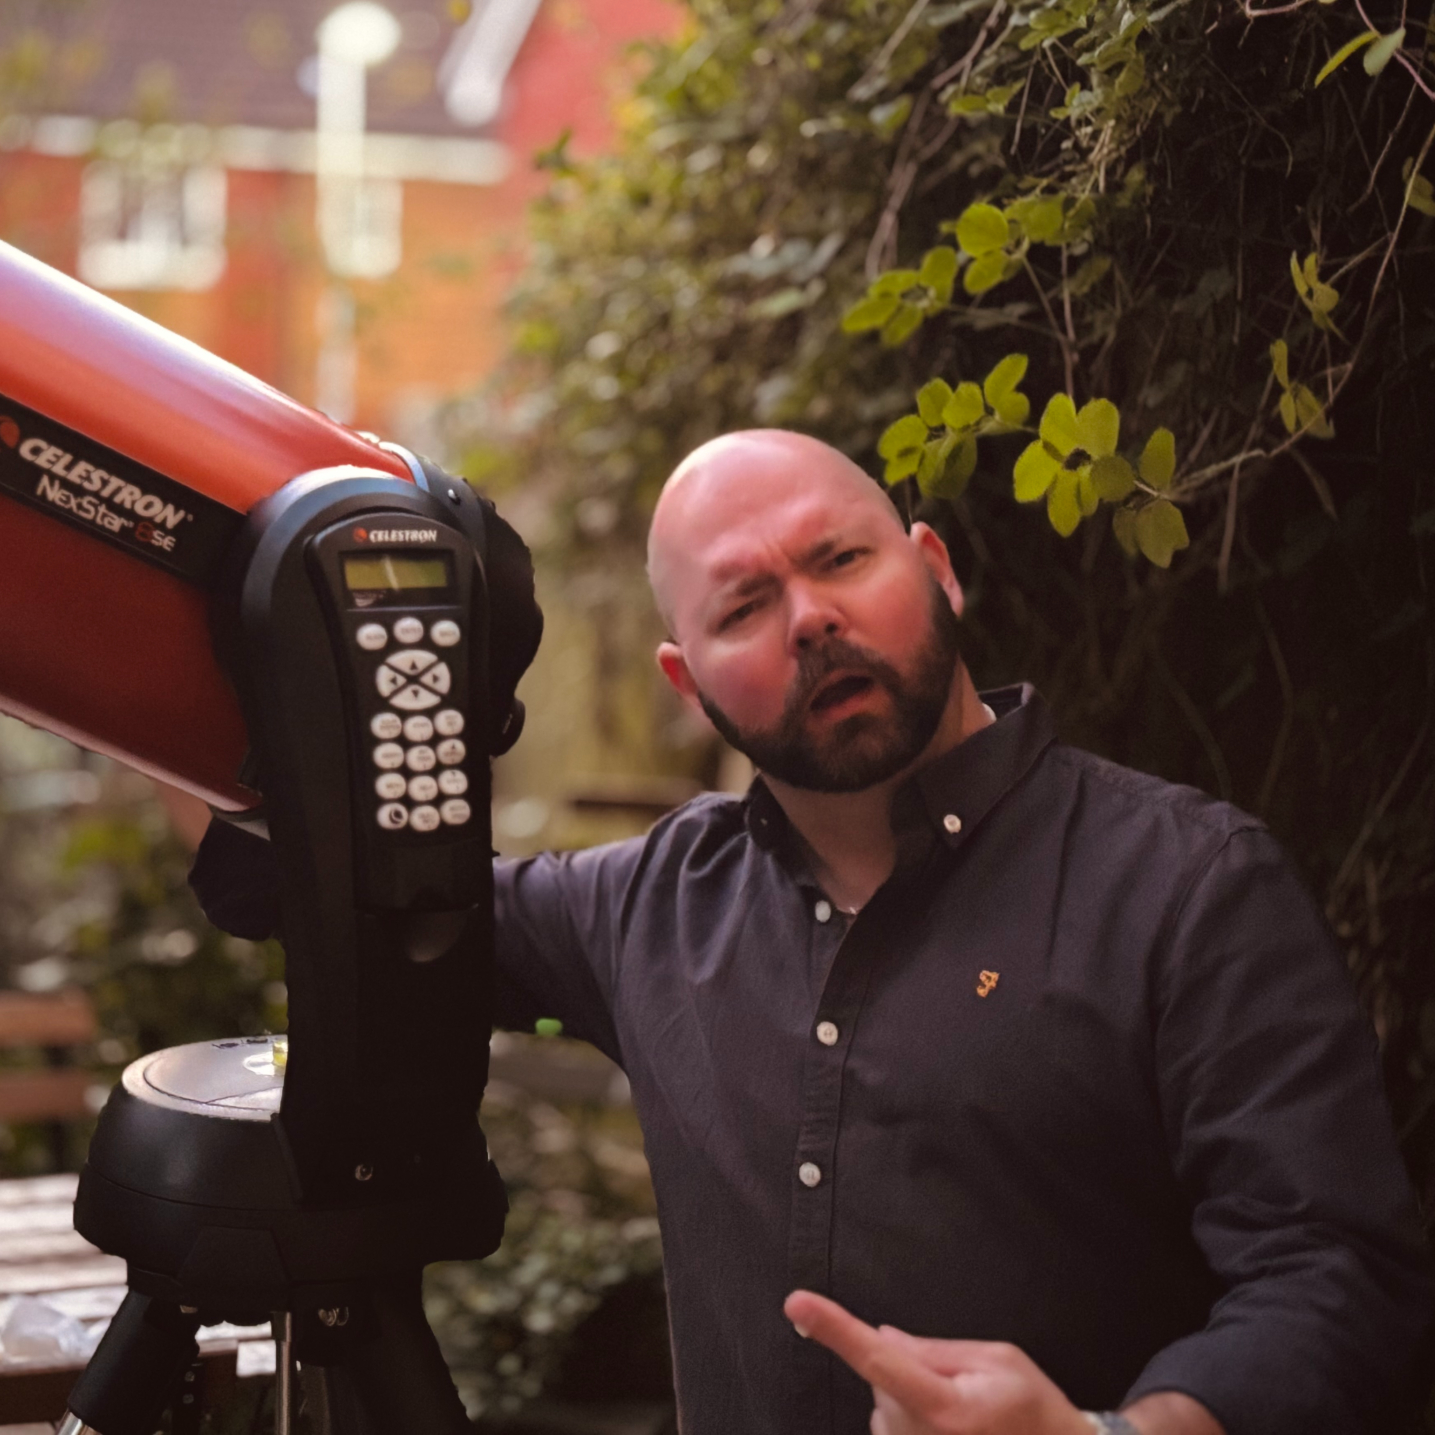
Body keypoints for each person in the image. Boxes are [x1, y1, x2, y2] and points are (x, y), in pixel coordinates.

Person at [190, 430, 1431, 1435]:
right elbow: (308, 891)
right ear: (691, 681)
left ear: (935, 567)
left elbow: (1342, 1277)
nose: (809, 618)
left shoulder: (1188, 885)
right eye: (744, 606)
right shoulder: (645, 908)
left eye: (840, 560)